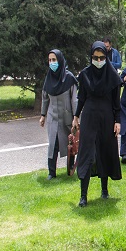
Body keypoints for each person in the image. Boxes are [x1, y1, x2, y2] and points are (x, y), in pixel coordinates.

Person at [72, 41, 123, 206]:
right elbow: (81, 98)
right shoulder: (85, 74)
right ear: (91, 57)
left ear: (106, 57)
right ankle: (83, 196)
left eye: (102, 58)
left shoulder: (113, 75)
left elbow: (116, 102)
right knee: (86, 153)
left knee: (105, 151)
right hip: (89, 117)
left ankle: (104, 190)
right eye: (95, 58)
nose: (99, 61)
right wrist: (76, 116)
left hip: (107, 118)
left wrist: (118, 121)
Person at [40, 49, 78, 179]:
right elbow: (45, 98)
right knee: (53, 144)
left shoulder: (69, 78)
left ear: (60, 60)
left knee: (70, 143)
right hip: (53, 117)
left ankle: (70, 168)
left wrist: (75, 117)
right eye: (50, 60)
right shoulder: (48, 78)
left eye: (54, 60)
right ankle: (51, 172)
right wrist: (43, 115)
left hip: (67, 116)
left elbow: (74, 99)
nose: (52, 63)